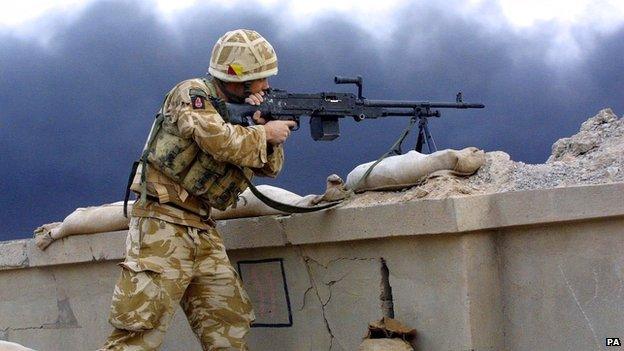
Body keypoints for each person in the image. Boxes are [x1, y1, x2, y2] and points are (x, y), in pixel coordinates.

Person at [100, 29, 296, 351]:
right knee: (138, 332)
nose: (267, 86)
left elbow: (269, 168)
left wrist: (264, 126)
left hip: (202, 229)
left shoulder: (237, 116)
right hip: (162, 225)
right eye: (261, 79)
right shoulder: (191, 93)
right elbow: (218, 141)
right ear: (240, 79)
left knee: (229, 326)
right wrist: (263, 134)